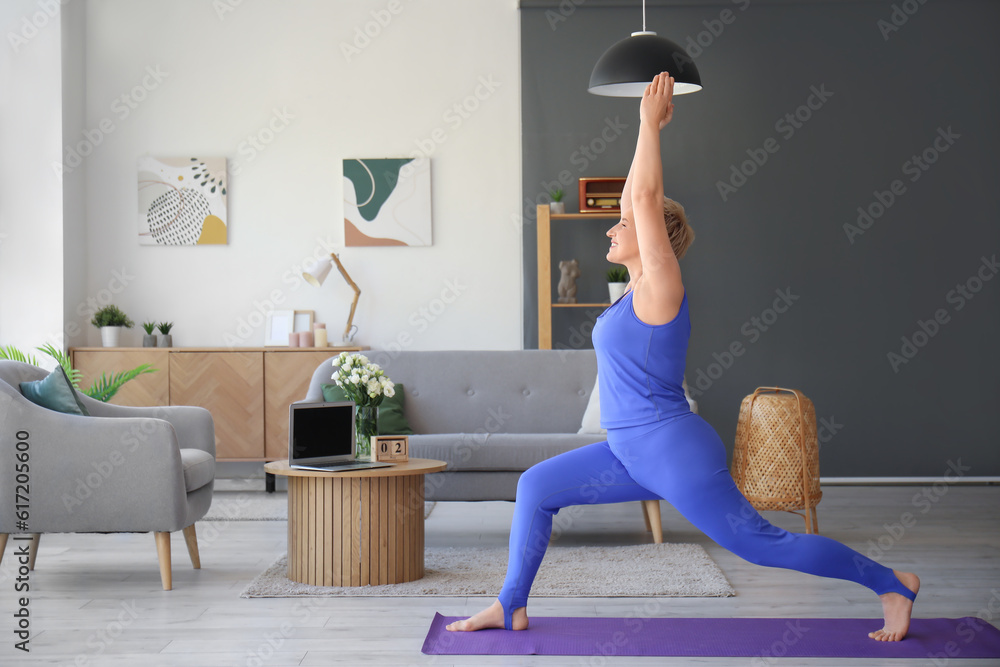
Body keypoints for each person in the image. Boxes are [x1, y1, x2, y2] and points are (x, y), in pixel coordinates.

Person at [446, 72, 919, 641]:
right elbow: (635, 196)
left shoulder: (661, 288)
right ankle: (511, 604)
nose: (610, 228)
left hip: (672, 451)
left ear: (653, 240)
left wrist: (649, 124)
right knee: (536, 488)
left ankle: (892, 583)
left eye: (621, 225)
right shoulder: (631, 294)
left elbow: (643, 200)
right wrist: (642, 133)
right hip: (626, 450)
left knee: (762, 546)